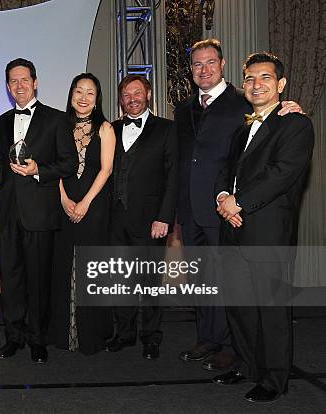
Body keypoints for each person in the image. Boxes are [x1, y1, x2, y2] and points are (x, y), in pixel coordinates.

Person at [175, 39, 302, 371]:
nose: (203, 69)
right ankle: (209, 338)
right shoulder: (183, 107)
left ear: (222, 64)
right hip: (193, 209)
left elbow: (271, 126)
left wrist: (291, 107)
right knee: (201, 279)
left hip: (231, 213)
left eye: (210, 63)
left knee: (232, 285)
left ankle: (232, 346)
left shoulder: (242, 101)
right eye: (197, 65)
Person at [212, 52, 314, 403]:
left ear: (281, 84)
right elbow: (227, 173)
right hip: (234, 227)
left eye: (265, 78)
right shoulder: (243, 129)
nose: (256, 84)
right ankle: (248, 365)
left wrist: (238, 203)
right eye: (250, 78)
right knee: (240, 306)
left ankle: (274, 378)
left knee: (271, 310)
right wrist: (224, 196)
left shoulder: (296, 124)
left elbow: (282, 174)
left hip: (267, 230)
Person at [0, 58, 77, 364]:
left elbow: (68, 163)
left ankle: (39, 339)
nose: (19, 86)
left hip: (40, 212)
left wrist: (39, 169)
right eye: (13, 81)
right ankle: (14, 337)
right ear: (8, 86)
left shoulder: (56, 119)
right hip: (8, 213)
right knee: (11, 279)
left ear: (36, 82)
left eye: (24, 80)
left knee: (39, 280)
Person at [106, 75, 178, 359]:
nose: (132, 99)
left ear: (148, 94)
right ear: (121, 100)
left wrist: (164, 217)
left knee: (149, 280)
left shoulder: (166, 129)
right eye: (126, 95)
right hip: (115, 218)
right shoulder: (111, 129)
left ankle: (151, 336)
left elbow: (173, 177)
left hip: (151, 219)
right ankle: (124, 334)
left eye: (137, 93)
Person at [49, 73, 115, 354]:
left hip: (95, 204)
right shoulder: (59, 126)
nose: (84, 97)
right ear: (71, 94)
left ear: (97, 98)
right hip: (64, 204)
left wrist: (86, 202)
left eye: (90, 92)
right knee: (63, 266)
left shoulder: (105, 128)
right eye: (79, 91)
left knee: (91, 268)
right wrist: (64, 199)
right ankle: (64, 336)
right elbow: (55, 167)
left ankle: (91, 336)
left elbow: (106, 169)